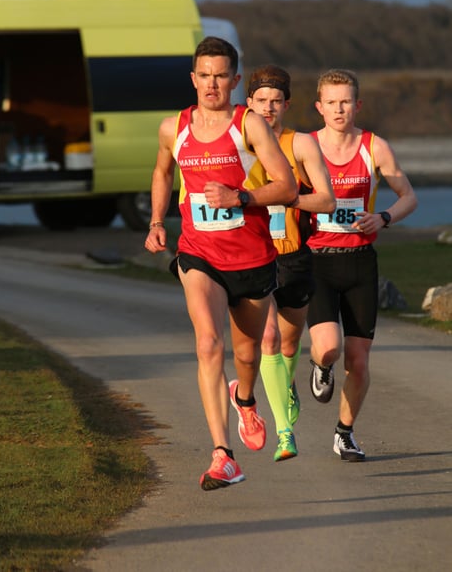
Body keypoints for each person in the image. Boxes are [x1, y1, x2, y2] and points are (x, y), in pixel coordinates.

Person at [144, 36, 297, 491]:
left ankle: (244, 399)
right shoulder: (173, 128)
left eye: (221, 76)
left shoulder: (250, 125)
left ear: (234, 80)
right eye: (204, 75)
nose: (212, 84)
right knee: (209, 345)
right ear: (193, 79)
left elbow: (287, 186)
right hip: (198, 253)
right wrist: (157, 221)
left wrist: (240, 197)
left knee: (247, 355)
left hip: (251, 258)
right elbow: (162, 171)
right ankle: (223, 456)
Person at [307, 68, 418, 461]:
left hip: (359, 263)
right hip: (317, 261)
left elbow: (408, 196)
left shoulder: (375, 147)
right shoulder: (306, 147)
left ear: (358, 105)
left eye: (346, 102)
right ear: (319, 107)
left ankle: (345, 432)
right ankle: (320, 366)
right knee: (329, 349)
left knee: (358, 359)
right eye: (331, 102)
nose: (339, 109)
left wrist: (383, 218)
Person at [245, 65, 335, 462]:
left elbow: (327, 200)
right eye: (261, 101)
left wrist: (286, 196)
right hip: (253, 256)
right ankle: (285, 433)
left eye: (276, 101)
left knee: (287, 341)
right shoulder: (238, 145)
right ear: (249, 103)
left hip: (294, 255)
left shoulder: (300, 144)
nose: (268, 108)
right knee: (266, 339)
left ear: (287, 105)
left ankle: (288, 383)